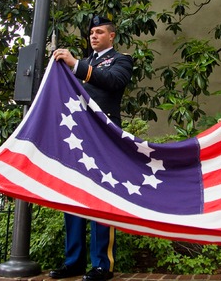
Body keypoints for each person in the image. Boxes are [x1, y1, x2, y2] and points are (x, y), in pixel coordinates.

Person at [50, 15, 134, 281]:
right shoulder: (81, 65)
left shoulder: (122, 60)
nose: (93, 36)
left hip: (104, 136)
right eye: (91, 33)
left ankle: (102, 265)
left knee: (102, 196)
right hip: (78, 136)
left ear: (112, 36)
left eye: (99, 32)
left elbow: (113, 83)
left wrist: (75, 64)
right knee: (72, 196)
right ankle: (73, 262)